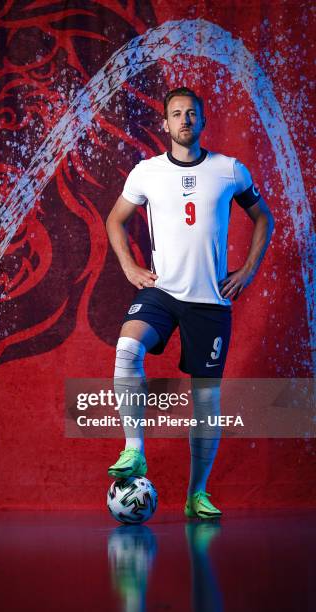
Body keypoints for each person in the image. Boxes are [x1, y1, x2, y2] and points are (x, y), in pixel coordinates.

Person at [105, 86, 274, 519]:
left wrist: (248, 270)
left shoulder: (229, 170)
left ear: (201, 120)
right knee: (127, 348)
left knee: (205, 400)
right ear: (165, 124)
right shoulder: (146, 172)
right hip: (163, 291)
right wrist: (128, 267)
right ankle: (134, 449)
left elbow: (263, 218)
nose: (184, 120)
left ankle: (196, 494)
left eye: (191, 114)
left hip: (210, 301)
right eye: (176, 114)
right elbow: (115, 219)